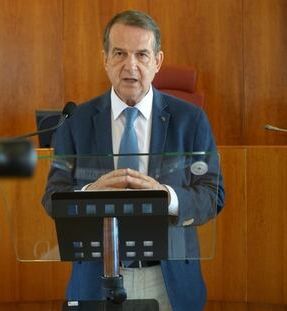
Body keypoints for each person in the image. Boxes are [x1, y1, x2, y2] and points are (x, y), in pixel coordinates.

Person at [43, 10, 225, 311]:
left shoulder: (190, 120)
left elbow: (212, 194)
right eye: (119, 54)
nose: (131, 66)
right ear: (105, 60)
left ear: (158, 62)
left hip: (168, 278)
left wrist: (168, 198)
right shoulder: (75, 123)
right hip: (96, 278)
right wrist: (89, 195)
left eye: (142, 54)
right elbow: (52, 197)